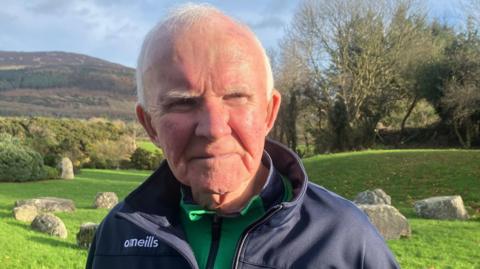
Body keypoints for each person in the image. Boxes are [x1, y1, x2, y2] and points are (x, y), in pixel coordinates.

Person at [86, 3, 400, 269]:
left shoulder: (344, 240)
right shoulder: (117, 234)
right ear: (149, 125)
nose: (213, 128)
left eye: (236, 97)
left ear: (269, 112)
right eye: (183, 102)